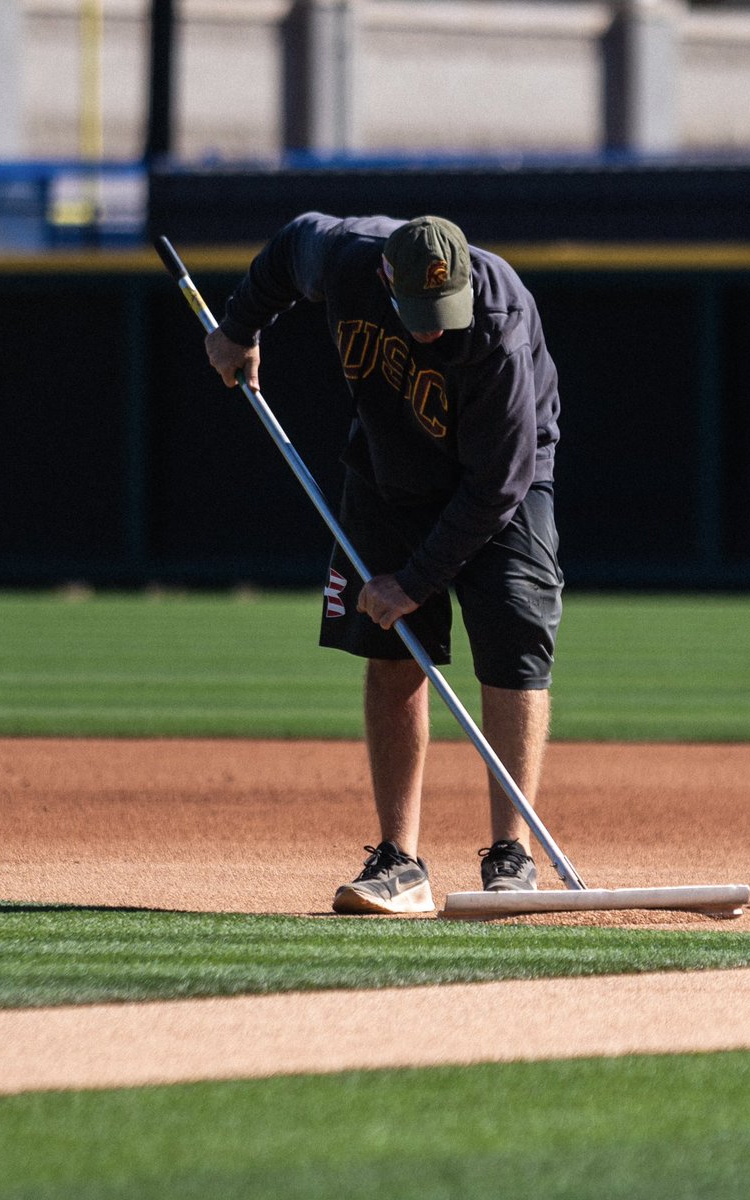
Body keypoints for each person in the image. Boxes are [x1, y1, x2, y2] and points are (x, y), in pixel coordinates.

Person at [204, 212, 564, 914]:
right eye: (419, 313)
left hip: (505, 481)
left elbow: (496, 484)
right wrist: (238, 329)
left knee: (515, 639)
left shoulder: (501, 323)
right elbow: (284, 252)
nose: (433, 329)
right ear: (384, 279)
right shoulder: (342, 257)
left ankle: (511, 856)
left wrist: (415, 581)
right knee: (392, 647)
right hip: (389, 466)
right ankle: (399, 861)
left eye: (446, 310)